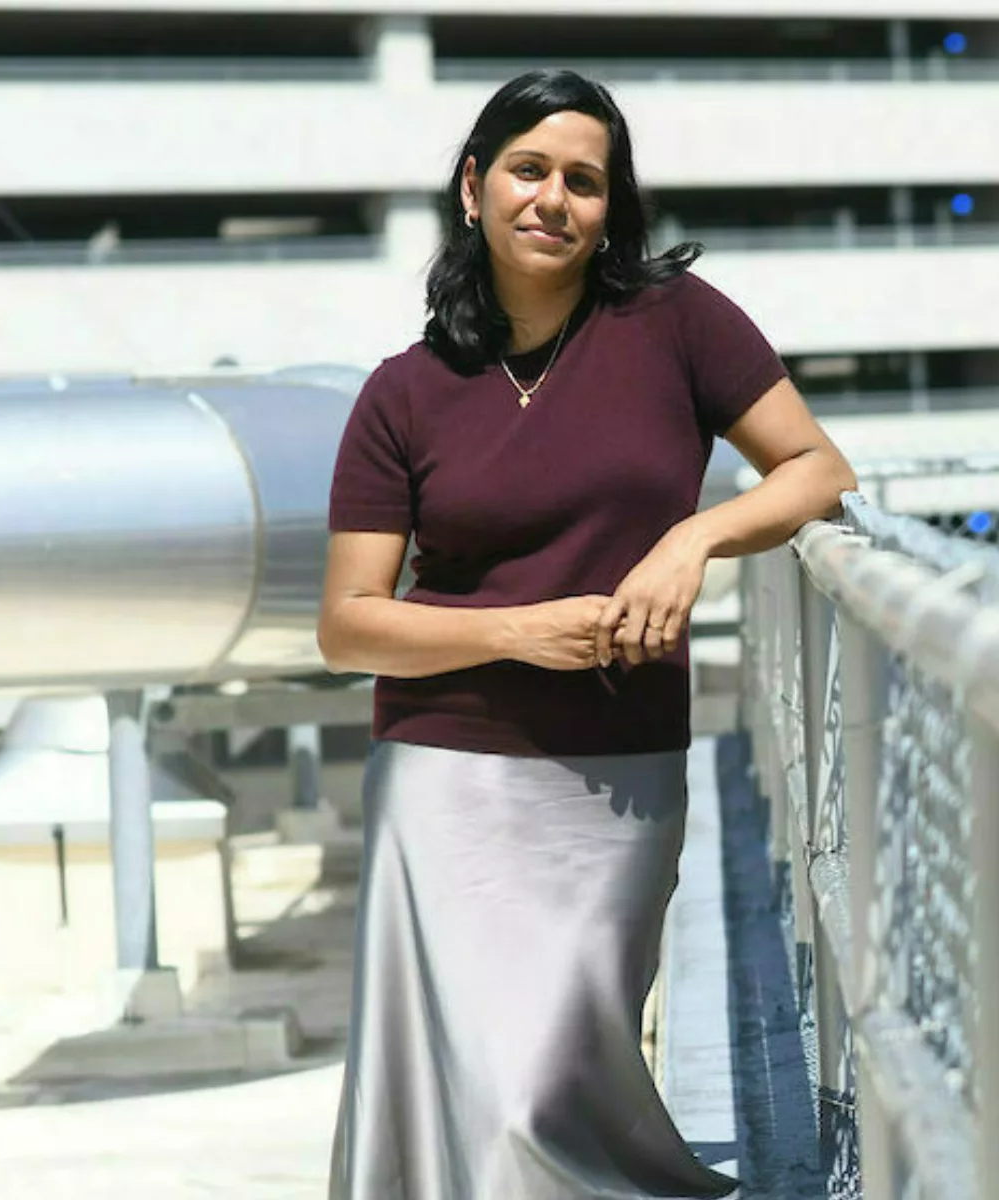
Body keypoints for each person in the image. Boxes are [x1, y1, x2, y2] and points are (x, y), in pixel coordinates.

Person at [318, 68, 857, 1200]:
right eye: (528, 170)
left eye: (584, 181)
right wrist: (516, 631)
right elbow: (349, 626)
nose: (553, 198)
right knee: (488, 1104)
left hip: (618, 777)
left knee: (550, 1086)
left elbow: (815, 470)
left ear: (612, 209)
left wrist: (692, 540)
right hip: (447, 776)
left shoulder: (675, 327)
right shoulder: (400, 395)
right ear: (473, 187)